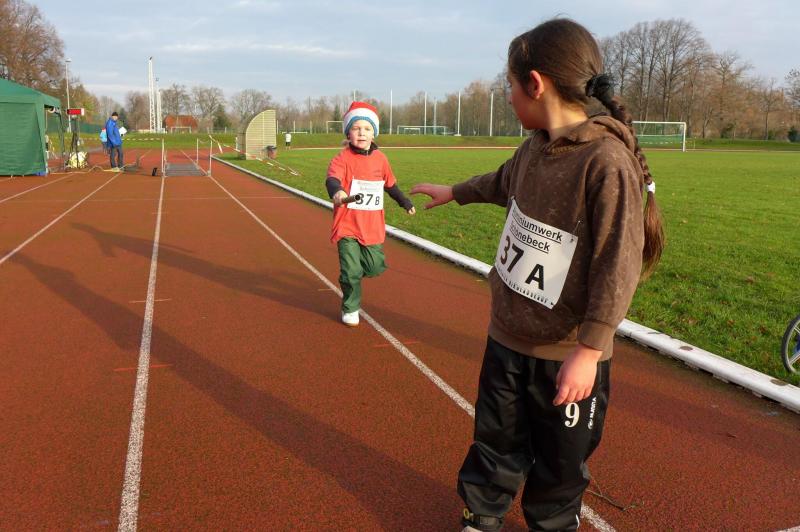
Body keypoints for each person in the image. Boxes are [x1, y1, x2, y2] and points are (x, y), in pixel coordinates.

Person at [411, 18, 664, 532]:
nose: (507, 96)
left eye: (509, 85)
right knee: (494, 441)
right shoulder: (533, 147)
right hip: (507, 339)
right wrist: (455, 192)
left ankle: (553, 523)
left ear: (535, 83)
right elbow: (504, 181)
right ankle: (482, 514)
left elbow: (618, 263)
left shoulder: (605, 162)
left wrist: (589, 351)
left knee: (559, 464)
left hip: (566, 355)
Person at [326, 101, 416, 326]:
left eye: (367, 129)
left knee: (374, 266)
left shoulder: (381, 159)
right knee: (351, 270)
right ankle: (350, 307)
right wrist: (337, 191)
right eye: (356, 128)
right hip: (347, 224)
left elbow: (390, 185)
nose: (361, 133)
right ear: (348, 133)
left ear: (373, 134)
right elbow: (332, 179)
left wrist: (404, 202)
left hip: (372, 226)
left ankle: (352, 274)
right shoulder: (342, 158)